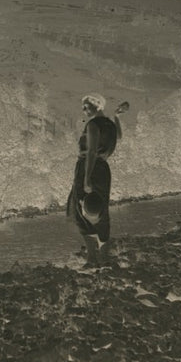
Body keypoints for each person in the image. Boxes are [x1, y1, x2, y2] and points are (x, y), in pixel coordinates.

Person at [66, 94, 129, 267]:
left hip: (89, 167)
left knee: (81, 210)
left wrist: (86, 178)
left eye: (87, 106)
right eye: (83, 107)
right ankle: (104, 257)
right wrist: (117, 117)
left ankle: (92, 258)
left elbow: (92, 151)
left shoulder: (93, 124)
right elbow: (119, 137)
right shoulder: (110, 124)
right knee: (101, 210)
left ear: (98, 105)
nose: (84, 110)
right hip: (103, 170)